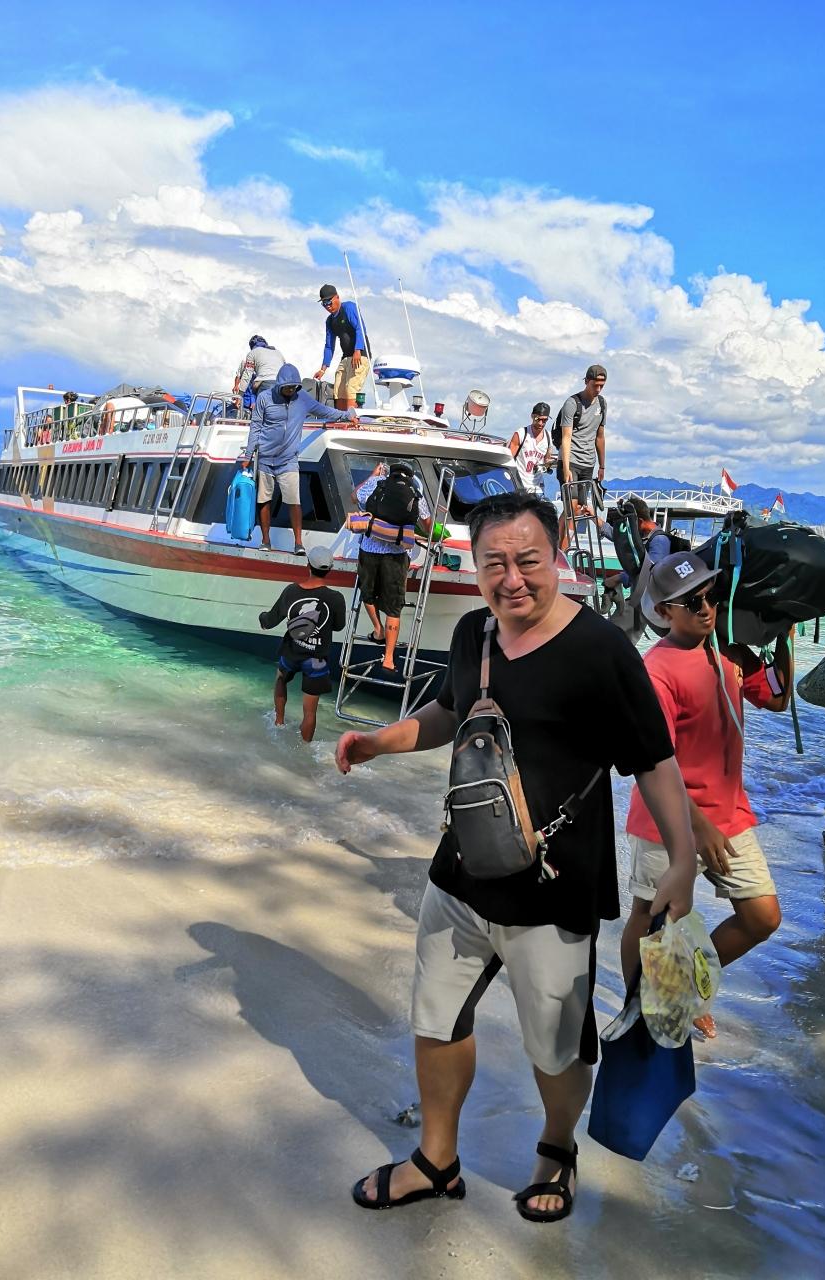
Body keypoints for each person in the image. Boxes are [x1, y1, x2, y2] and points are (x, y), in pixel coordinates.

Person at [335, 490, 696, 1223]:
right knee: (436, 1018)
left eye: (528, 560)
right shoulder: (474, 633)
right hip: (461, 869)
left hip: (556, 887)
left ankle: (557, 1148)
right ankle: (436, 1161)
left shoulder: (602, 651)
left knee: (556, 1046)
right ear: (474, 565)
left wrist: (682, 860)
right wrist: (378, 742)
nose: (512, 579)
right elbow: (448, 712)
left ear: (556, 556)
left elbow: (655, 763)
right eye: (493, 563)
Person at [620, 552, 789, 1038]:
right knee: (652, 917)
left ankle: (684, 985)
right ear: (664, 612)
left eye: (710, 596)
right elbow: (657, 762)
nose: (705, 608)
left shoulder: (729, 654)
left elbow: (778, 698)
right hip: (667, 819)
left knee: (762, 917)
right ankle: (642, 1008)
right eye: (691, 602)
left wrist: (783, 636)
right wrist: (698, 826)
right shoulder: (656, 672)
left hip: (730, 814)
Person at [242, 363, 358, 556]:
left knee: (294, 501)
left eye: (294, 387)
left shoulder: (302, 398)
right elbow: (255, 427)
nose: (291, 390)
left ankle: (298, 543)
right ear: (279, 385)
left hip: (288, 460)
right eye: (287, 387)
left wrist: (347, 415)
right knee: (264, 500)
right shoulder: (264, 398)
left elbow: (324, 411)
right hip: (265, 459)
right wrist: (248, 455)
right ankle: (265, 540)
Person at [259, 545, 347, 741]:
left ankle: (279, 723)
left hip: (291, 653)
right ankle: (306, 746)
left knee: (281, 679)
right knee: (310, 713)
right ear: (330, 569)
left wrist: (262, 618)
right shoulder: (336, 598)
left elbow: (270, 620)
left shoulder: (291, 591)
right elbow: (339, 626)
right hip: (316, 660)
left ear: (308, 565)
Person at [352, 461, 431, 672]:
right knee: (394, 606)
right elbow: (427, 524)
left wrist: (372, 475)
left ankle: (378, 630)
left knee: (367, 593)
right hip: (397, 554)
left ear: (390, 473)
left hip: (370, 548)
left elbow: (354, 497)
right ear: (410, 476)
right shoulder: (415, 492)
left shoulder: (376, 483)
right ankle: (388, 658)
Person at [555, 365, 608, 547]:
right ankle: (561, 551)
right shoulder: (572, 403)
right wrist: (566, 468)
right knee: (571, 508)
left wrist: (602, 465)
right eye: (595, 385)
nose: (598, 389)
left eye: (601, 386)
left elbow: (600, 436)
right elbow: (566, 437)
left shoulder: (602, 404)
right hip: (570, 461)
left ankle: (559, 546)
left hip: (588, 463)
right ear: (586, 382)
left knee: (577, 510)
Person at [314, 284, 371, 410]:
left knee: (351, 388)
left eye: (329, 302)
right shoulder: (330, 321)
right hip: (345, 357)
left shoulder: (349, 308)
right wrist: (323, 369)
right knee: (338, 390)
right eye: (324, 303)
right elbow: (329, 345)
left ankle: (352, 419)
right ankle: (341, 418)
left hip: (360, 355)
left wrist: (358, 350)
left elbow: (360, 328)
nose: (327, 306)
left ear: (337, 297)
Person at [508, 403, 553, 492]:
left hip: (538, 487)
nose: (540, 423)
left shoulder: (549, 437)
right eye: (538, 419)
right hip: (519, 485)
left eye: (544, 420)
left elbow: (547, 460)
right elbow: (509, 459)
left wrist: (549, 464)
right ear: (532, 416)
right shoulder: (521, 434)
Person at [234, 335, 285, 406]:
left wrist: (239, 397)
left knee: (262, 411)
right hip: (282, 386)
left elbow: (246, 377)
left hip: (266, 385)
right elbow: (286, 370)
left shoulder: (253, 353)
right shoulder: (278, 353)